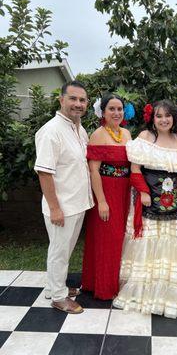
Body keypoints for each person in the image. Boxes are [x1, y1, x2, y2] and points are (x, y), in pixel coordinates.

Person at [114, 100, 177, 318]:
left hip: (173, 203)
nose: (163, 120)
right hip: (148, 200)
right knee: (147, 244)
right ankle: (144, 294)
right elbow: (135, 169)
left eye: (167, 116)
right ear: (153, 119)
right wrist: (142, 192)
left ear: (174, 118)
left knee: (171, 244)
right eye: (159, 116)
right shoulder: (145, 138)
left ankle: (168, 296)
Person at [34, 80, 94, 314]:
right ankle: (58, 297)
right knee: (59, 251)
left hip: (77, 203)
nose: (78, 104)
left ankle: (55, 285)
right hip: (62, 206)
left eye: (82, 100)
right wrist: (55, 208)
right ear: (61, 100)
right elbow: (44, 172)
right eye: (73, 98)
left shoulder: (79, 129)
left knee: (64, 250)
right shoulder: (51, 131)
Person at [81, 94, 131, 299]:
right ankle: (103, 287)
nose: (116, 113)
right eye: (112, 109)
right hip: (106, 192)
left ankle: (115, 282)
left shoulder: (127, 134)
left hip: (124, 192)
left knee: (120, 239)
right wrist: (101, 201)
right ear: (103, 112)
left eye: (119, 109)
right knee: (106, 240)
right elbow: (94, 171)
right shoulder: (98, 135)